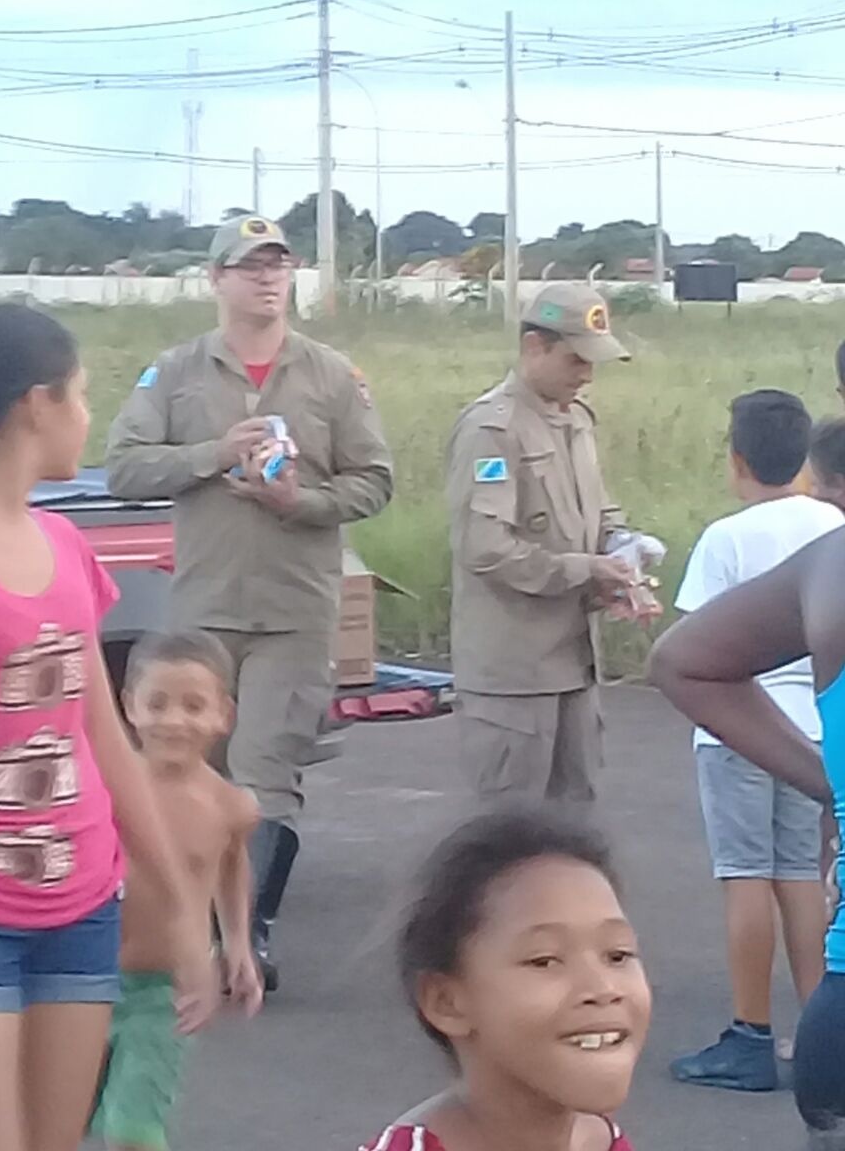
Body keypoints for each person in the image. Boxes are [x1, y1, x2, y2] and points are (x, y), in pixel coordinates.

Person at [0, 303, 217, 1151]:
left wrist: (183, 910)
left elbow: (105, 744)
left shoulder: (69, 547)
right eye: (79, 394)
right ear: (37, 404)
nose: (87, 416)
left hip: (81, 909)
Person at [106, 214, 393, 989]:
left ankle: (251, 931)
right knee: (198, 769)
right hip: (205, 604)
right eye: (249, 266)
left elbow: (375, 481)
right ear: (217, 280)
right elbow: (124, 467)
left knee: (267, 773)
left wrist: (301, 500)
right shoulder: (177, 371)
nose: (267, 277)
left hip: (295, 605)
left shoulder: (332, 375)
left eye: (278, 264)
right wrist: (213, 453)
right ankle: (186, 923)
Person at [648, 432, 845, 1145]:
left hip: (841, 1033)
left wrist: (835, 789)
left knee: (748, 876)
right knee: (792, 877)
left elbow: (683, 657)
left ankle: (754, 1027)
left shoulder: (828, 564)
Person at [358, 808, 651, 1151]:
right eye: (544, 960)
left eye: (617, 955)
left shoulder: (604, 1142)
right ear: (446, 1001)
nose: (603, 989)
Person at [446, 283, 636, 806]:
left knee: (576, 825)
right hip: (513, 673)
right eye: (576, 360)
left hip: (574, 663)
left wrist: (624, 548)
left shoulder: (577, 420)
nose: (587, 375)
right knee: (511, 834)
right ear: (535, 347)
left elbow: (597, 509)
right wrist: (584, 570)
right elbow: (483, 546)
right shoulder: (492, 429)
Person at [91, 630, 263, 1151]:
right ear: (128, 706)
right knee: (55, 1115)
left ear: (223, 716)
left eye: (193, 706)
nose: (174, 720)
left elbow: (231, 868)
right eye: (158, 703)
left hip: (164, 992)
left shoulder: (231, 806)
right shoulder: (102, 786)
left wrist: (237, 943)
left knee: (133, 1130)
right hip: (82, 978)